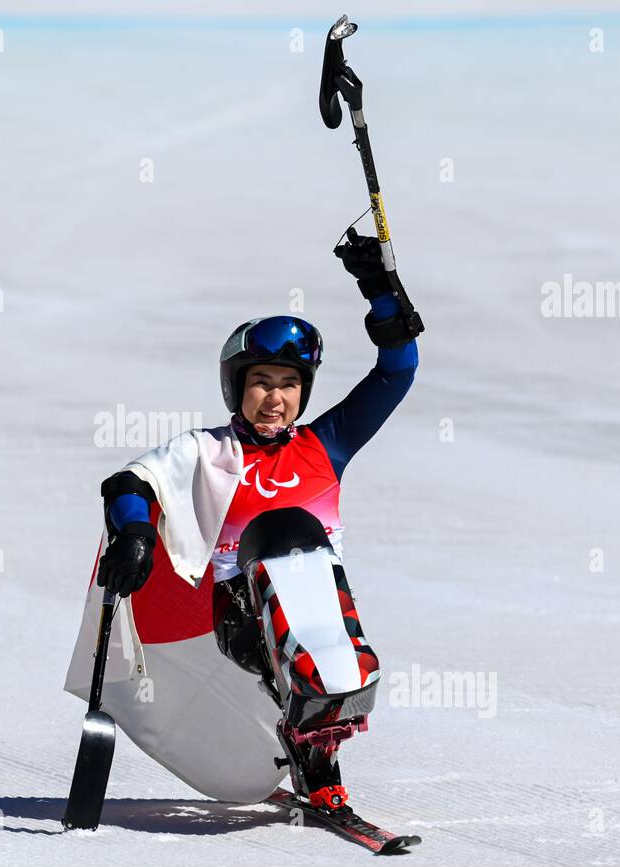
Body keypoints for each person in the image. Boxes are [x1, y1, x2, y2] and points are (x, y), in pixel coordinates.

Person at [94, 231, 420, 809]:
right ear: (237, 388)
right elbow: (130, 482)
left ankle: (317, 742)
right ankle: (311, 734)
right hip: (243, 617)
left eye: (289, 385)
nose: (275, 398)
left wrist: (379, 289)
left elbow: (396, 371)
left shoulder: (327, 445)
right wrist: (137, 533)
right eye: (262, 383)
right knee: (285, 532)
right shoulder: (207, 449)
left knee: (337, 650)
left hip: (323, 605)